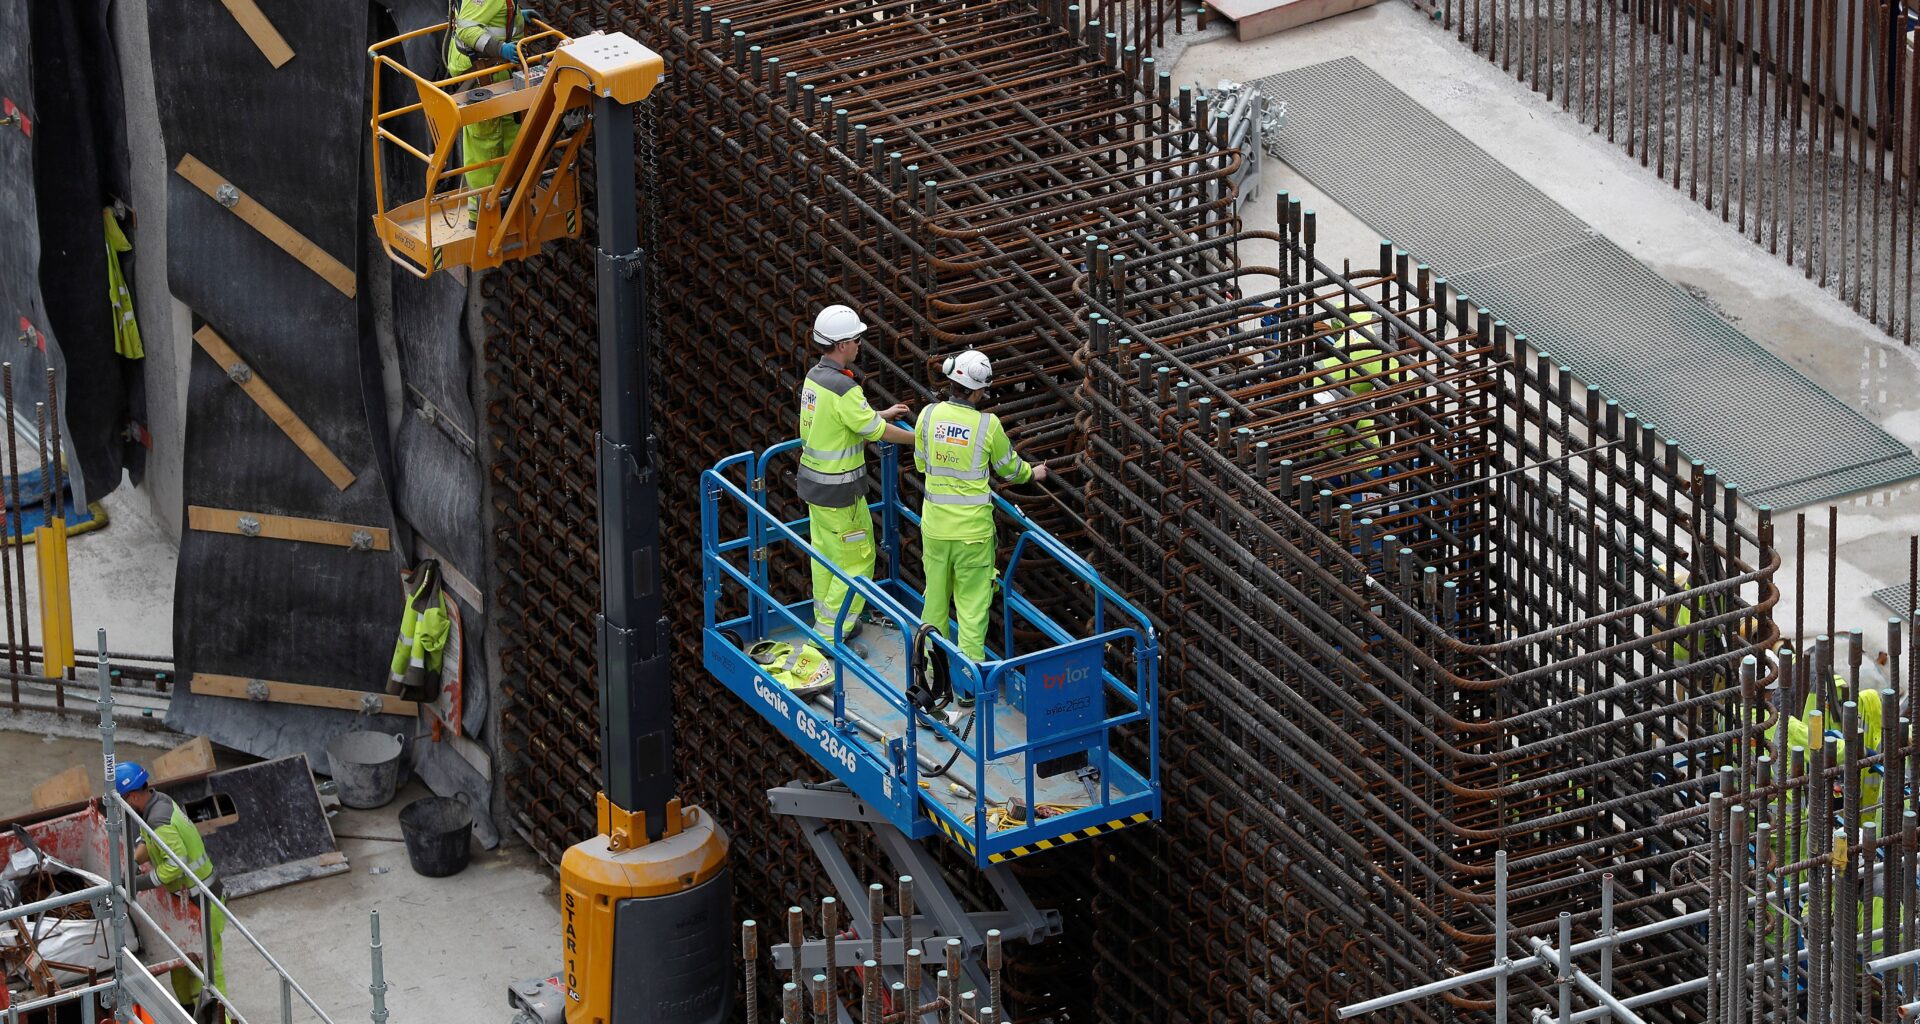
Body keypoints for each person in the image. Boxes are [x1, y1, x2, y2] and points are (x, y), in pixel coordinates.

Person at [913, 350, 1047, 724]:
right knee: (971, 611)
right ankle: (967, 692)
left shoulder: (927, 416)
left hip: (935, 529)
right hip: (973, 534)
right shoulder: (988, 426)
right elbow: (1010, 469)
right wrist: (1033, 475)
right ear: (977, 391)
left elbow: (921, 463)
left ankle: (925, 676)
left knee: (935, 602)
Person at [799, 304, 913, 639]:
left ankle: (826, 621)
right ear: (841, 345)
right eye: (856, 339)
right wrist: (921, 439)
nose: (859, 345)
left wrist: (880, 413)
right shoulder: (846, 389)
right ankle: (832, 633)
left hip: (813, 487)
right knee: (858, 562)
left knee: (825, 556)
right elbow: (877, 433)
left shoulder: (815, 378)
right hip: (841, 494)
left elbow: (840, 419)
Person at [117, 762, 226, 1014]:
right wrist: (134, 861)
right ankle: (188, 1014)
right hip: (187, 899)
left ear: (132, 796)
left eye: (123, 800)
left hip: (204, 902)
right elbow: (150, 841)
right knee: (181, 964)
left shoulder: (159, 820)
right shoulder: (158, 802)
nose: (123, 806)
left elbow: (175, 867)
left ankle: (224, 1019)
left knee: (211, 971)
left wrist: (137, 883)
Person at [445, 0, 525, 224]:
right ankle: (482, 216)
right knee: (486, 144)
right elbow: (467, 29)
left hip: (495, 74)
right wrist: (500, 49)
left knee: (511, 133)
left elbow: (487, 16)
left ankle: (510, 202)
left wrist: (516, 16)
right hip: (482, 76)